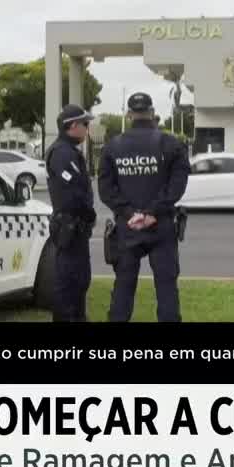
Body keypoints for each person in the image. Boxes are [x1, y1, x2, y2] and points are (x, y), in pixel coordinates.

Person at [98, 92, 189, 323]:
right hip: (161, 226)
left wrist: (130, 214)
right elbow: (177, 187)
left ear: (129, 115)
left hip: (128, 227)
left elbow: (106, 191)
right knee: (167, 288)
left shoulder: (112, 147)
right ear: (152, 112)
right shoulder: (172, 144)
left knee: (123, 287)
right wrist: (152, 213)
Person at [44, 104, 96, 322]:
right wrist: (89, 213)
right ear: (73, 125)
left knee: (80, 280)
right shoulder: (61, 153)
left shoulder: (70, 152)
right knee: (68, 283)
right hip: (69, 227)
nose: (87, 128)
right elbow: (74, 192)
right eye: (85, 124)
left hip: (77, 228)